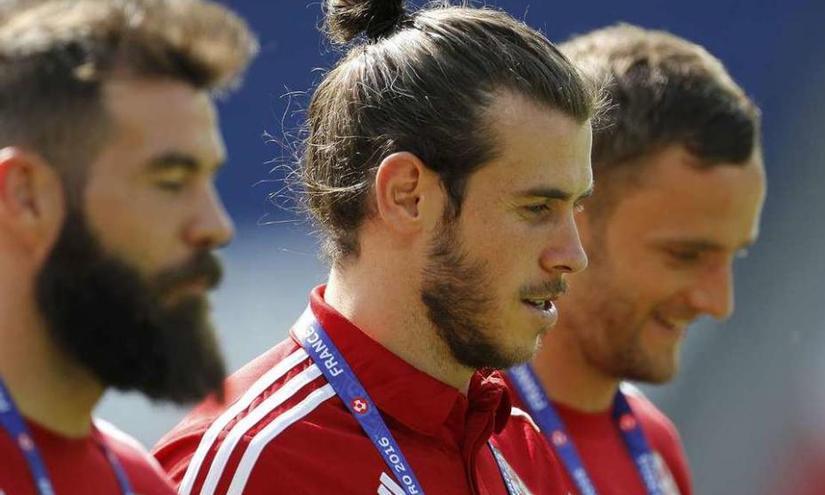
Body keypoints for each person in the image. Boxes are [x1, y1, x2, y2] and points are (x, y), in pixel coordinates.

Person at [153, 0, 602, 493]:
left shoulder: (518, 445)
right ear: (406, 195)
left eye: (576, 207)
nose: (572, 255)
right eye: (537, 207)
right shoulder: (256, 463)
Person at [0, 1, 256, 494]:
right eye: (171, 180)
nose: (216, 227)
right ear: (26, 197)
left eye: (209, 180)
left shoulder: (140, 482)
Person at [505, 23, 766, 495]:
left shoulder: (653, 445)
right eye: (685, 255)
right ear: (569, 218)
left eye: (733, 256)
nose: (717, 302)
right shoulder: (462, 429)